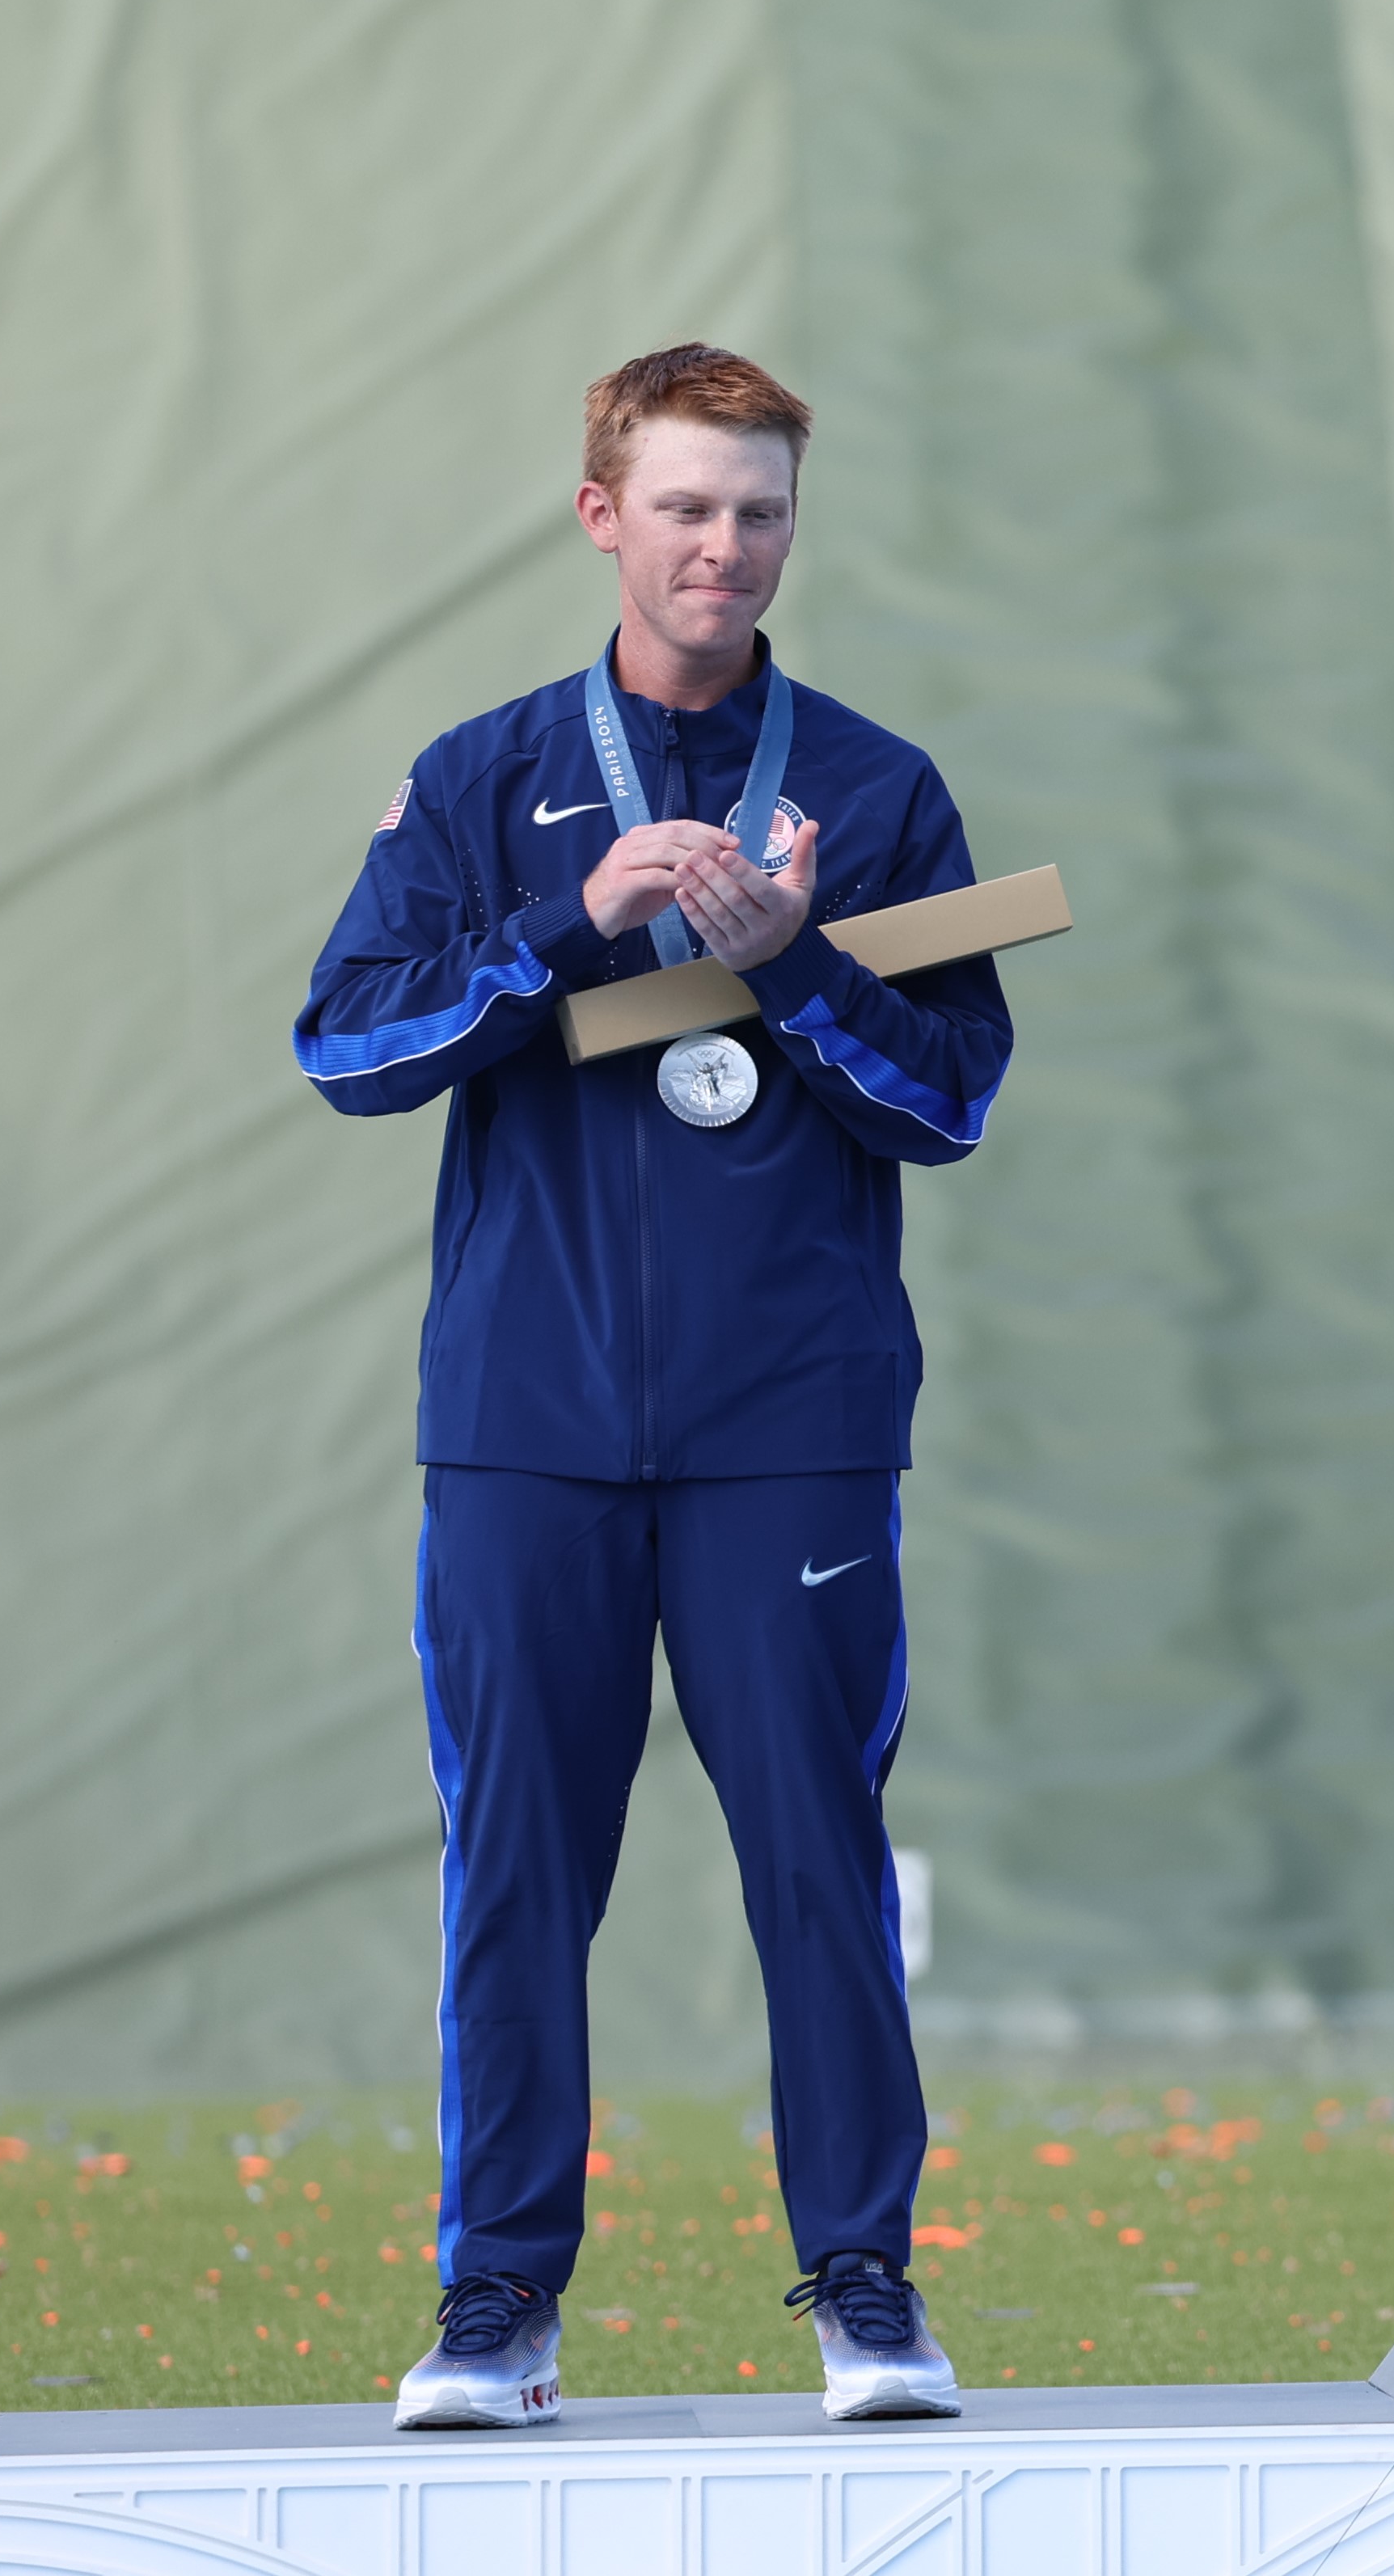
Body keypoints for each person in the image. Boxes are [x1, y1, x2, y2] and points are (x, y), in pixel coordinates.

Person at [294, 344, 1008, 2425]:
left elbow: (949, 1104)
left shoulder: (870, 790)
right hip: (524, 1426)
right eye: (688, 505)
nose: (726, 543)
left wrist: (791, 953)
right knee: (519, 1862)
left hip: (789, 1426)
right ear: (604, 512)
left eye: (762, 509)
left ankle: (865, 2282)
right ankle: (494, 2302)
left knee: (818, 1854)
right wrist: (556, 926)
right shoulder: (480, 775)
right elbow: (346, 1048)